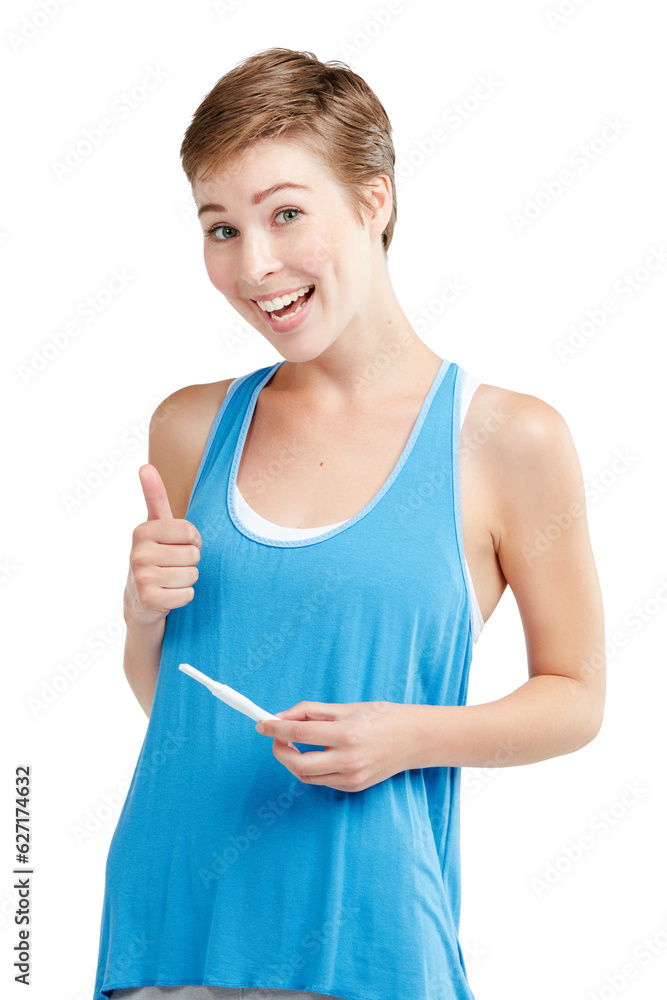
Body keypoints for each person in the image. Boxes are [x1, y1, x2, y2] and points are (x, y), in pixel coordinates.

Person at [92, 47, 606, 1000]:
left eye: (287, 213)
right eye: (220, 227)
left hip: (363, 947)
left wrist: (408, 736)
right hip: (166, 940)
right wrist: (141, 616)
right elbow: (172, 705)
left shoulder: (502, 439)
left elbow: (575, 697)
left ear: (373, 201)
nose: (255, 266)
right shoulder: (191, 427)